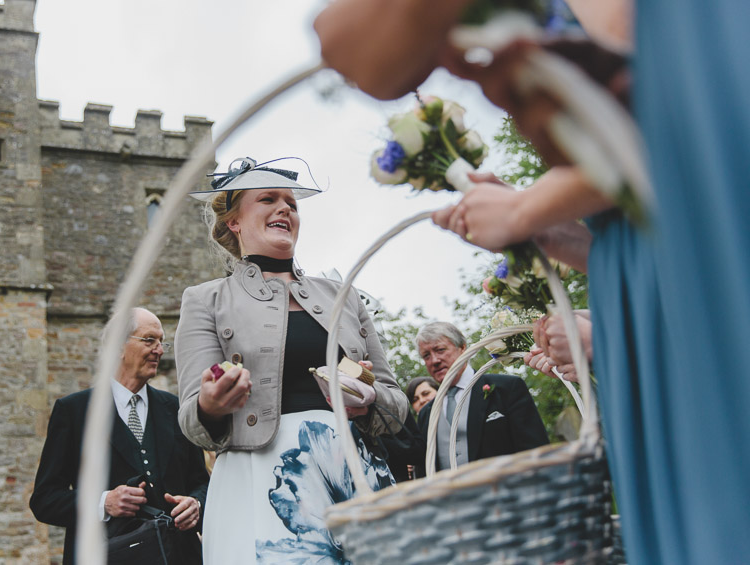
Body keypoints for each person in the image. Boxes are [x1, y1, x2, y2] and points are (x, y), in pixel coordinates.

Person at [316, 2, 750, 562]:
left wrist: (524, 210)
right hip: (654, 280)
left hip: (700, 289)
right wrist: (555, 234)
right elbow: (642, 217)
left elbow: (686, 120)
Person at [175, 157, 408, 564]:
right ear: (234, 221)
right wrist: (211, 405)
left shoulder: (344, 295)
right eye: (268, 199)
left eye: (292, 204)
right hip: (261, 479)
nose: (285, 208)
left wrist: (369, 400)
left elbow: (396, 403)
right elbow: (192, 421)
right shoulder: (205, 300)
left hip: (355, 472)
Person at [30, 308, 209, 565]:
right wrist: (104, 502)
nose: (159, 350)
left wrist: (196, 504)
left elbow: (203, 483)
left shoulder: (177, 409)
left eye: (161, 342)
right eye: (149, 340)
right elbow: (45, 500)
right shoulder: (74, 412)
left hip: (179, 556)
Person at [414, 322, 548, 470]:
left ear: (463, 348)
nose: (434, 360)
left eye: (440, 350)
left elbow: (536, 452)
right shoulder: (426, 413)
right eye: (426, 356)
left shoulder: (507, 389)